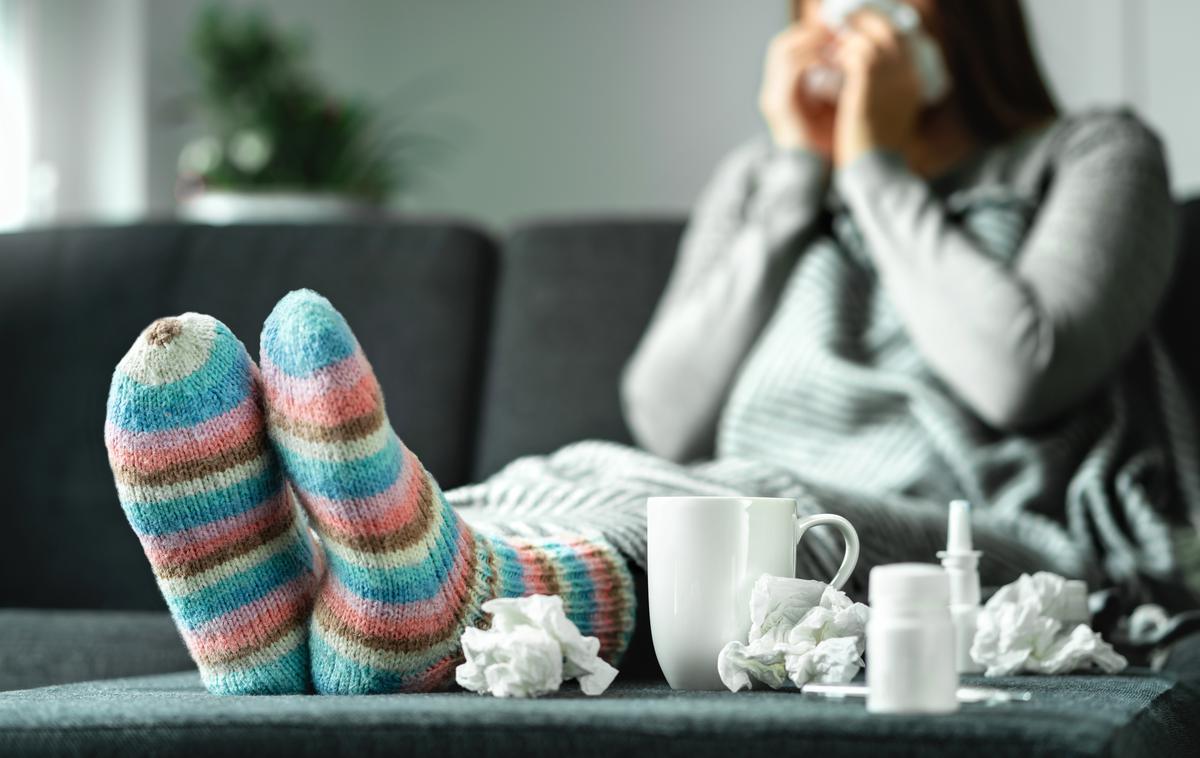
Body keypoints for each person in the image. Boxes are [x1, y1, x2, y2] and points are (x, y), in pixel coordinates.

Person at [104, 0, 1196, 697]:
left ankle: (443, 602)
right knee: (567, 467)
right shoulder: (763, 187)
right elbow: (663, 411)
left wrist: (872, 166)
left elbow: (1020, 372)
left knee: (738, 501)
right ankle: (305, 619)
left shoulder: (1095, 154)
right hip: (727, 488)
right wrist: (792, 186)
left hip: (985, 539)